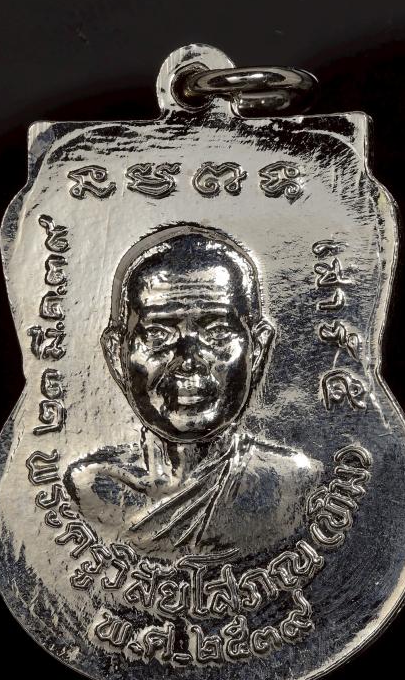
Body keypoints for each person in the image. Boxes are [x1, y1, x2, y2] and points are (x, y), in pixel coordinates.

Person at [65, 228, 322, 560]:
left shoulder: (290, 484)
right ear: (117, 355)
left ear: (257, 349)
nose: (189, 361)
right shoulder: (92, 488)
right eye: (158, 334)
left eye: (217, 332)